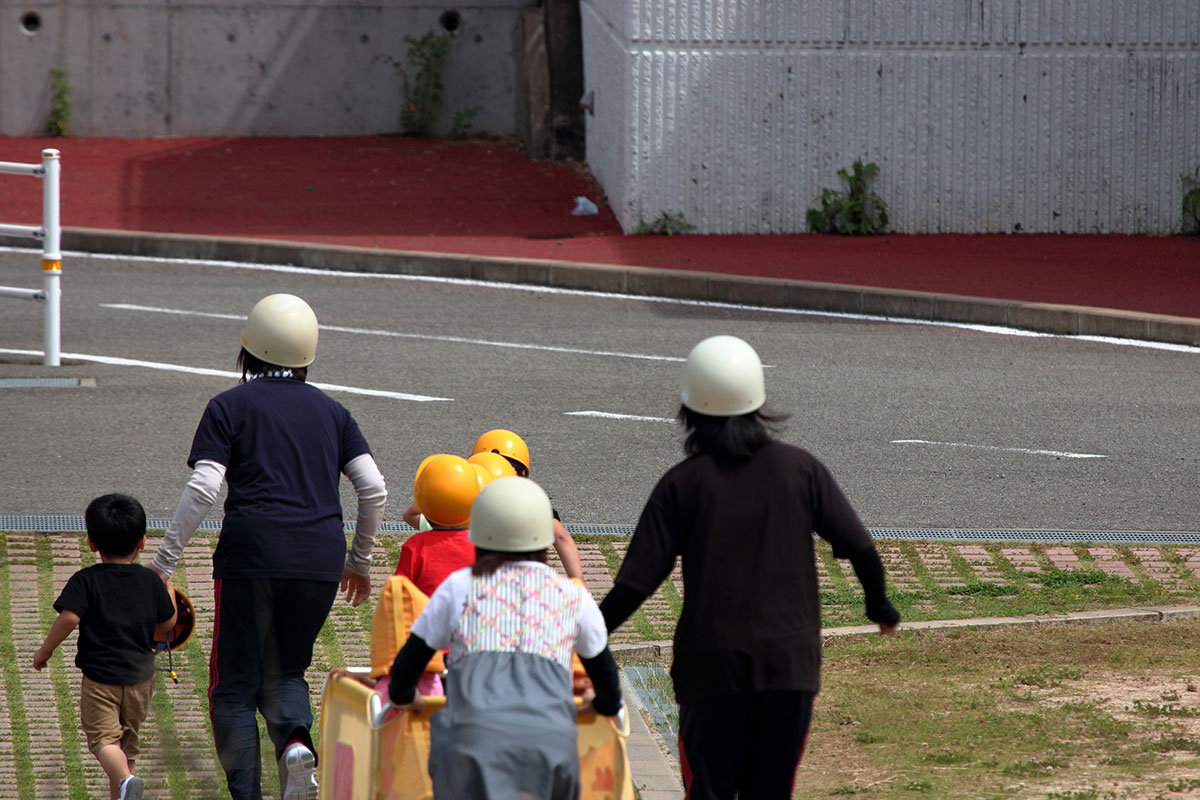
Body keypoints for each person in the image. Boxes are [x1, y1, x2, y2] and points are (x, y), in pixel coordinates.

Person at [599, 334, 901, 799]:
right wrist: (879, 606)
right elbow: (860, 545)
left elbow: (636, 583)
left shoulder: (681, 485)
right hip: (789, 668)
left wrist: (581, 636)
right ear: (757, 401)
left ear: (690, 410)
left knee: (710, 790)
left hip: (711, 669)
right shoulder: (801, 469)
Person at [148, 293, 388, 800]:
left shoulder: (228, 406)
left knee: (232, 686)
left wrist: (165, 562)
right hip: (320, 560)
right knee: (286, 673)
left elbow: (205, 486)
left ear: (248, 349)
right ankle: (295, 745)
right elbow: (374, 487)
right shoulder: (334, 412)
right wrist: (359, 561)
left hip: (251, 557)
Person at [386, 477, 623, 799]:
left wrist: (404, 697)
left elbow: (406, 666)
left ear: (478, 530)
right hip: (551, 749)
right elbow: (609, 690)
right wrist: (593, 704)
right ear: (544, 535)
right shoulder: (573, 596)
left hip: (471, 745)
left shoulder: (459, 587)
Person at [34, 493, 178, 800]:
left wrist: (45, 650)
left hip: (101, 680)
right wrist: (169, 589)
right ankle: (126, 787)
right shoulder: (149, 582)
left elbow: (70, 617)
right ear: (141, 542)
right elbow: (167, 625)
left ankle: (126, 782)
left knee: (103, 742)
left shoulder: (86, 580)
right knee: (127, 746)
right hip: (141, 679)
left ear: (91, 542)